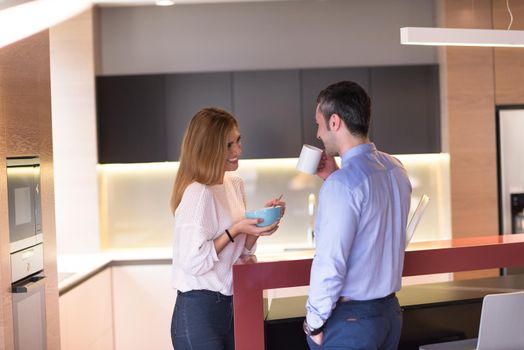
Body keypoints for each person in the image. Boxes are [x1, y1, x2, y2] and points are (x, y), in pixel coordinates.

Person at [303, 81, 412, 349]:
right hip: (389, 314)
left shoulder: (341, 186)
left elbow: (330, 262)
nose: (318, 133)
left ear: (335, 122)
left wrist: (313, 323)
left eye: (319, 123)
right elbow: (372, 229)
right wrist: (334, 175)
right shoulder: (396, 169)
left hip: (352, 322)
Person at [169, 107, 285, 350]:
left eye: (238, 140)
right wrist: (235, 230)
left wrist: (255, 229)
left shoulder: (234, 183)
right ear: (209, 148)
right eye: (229, 145)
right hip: (199, 311)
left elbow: (241, 253)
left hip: (232, 304)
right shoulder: (198, 193)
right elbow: (193, 262)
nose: (238, 150)